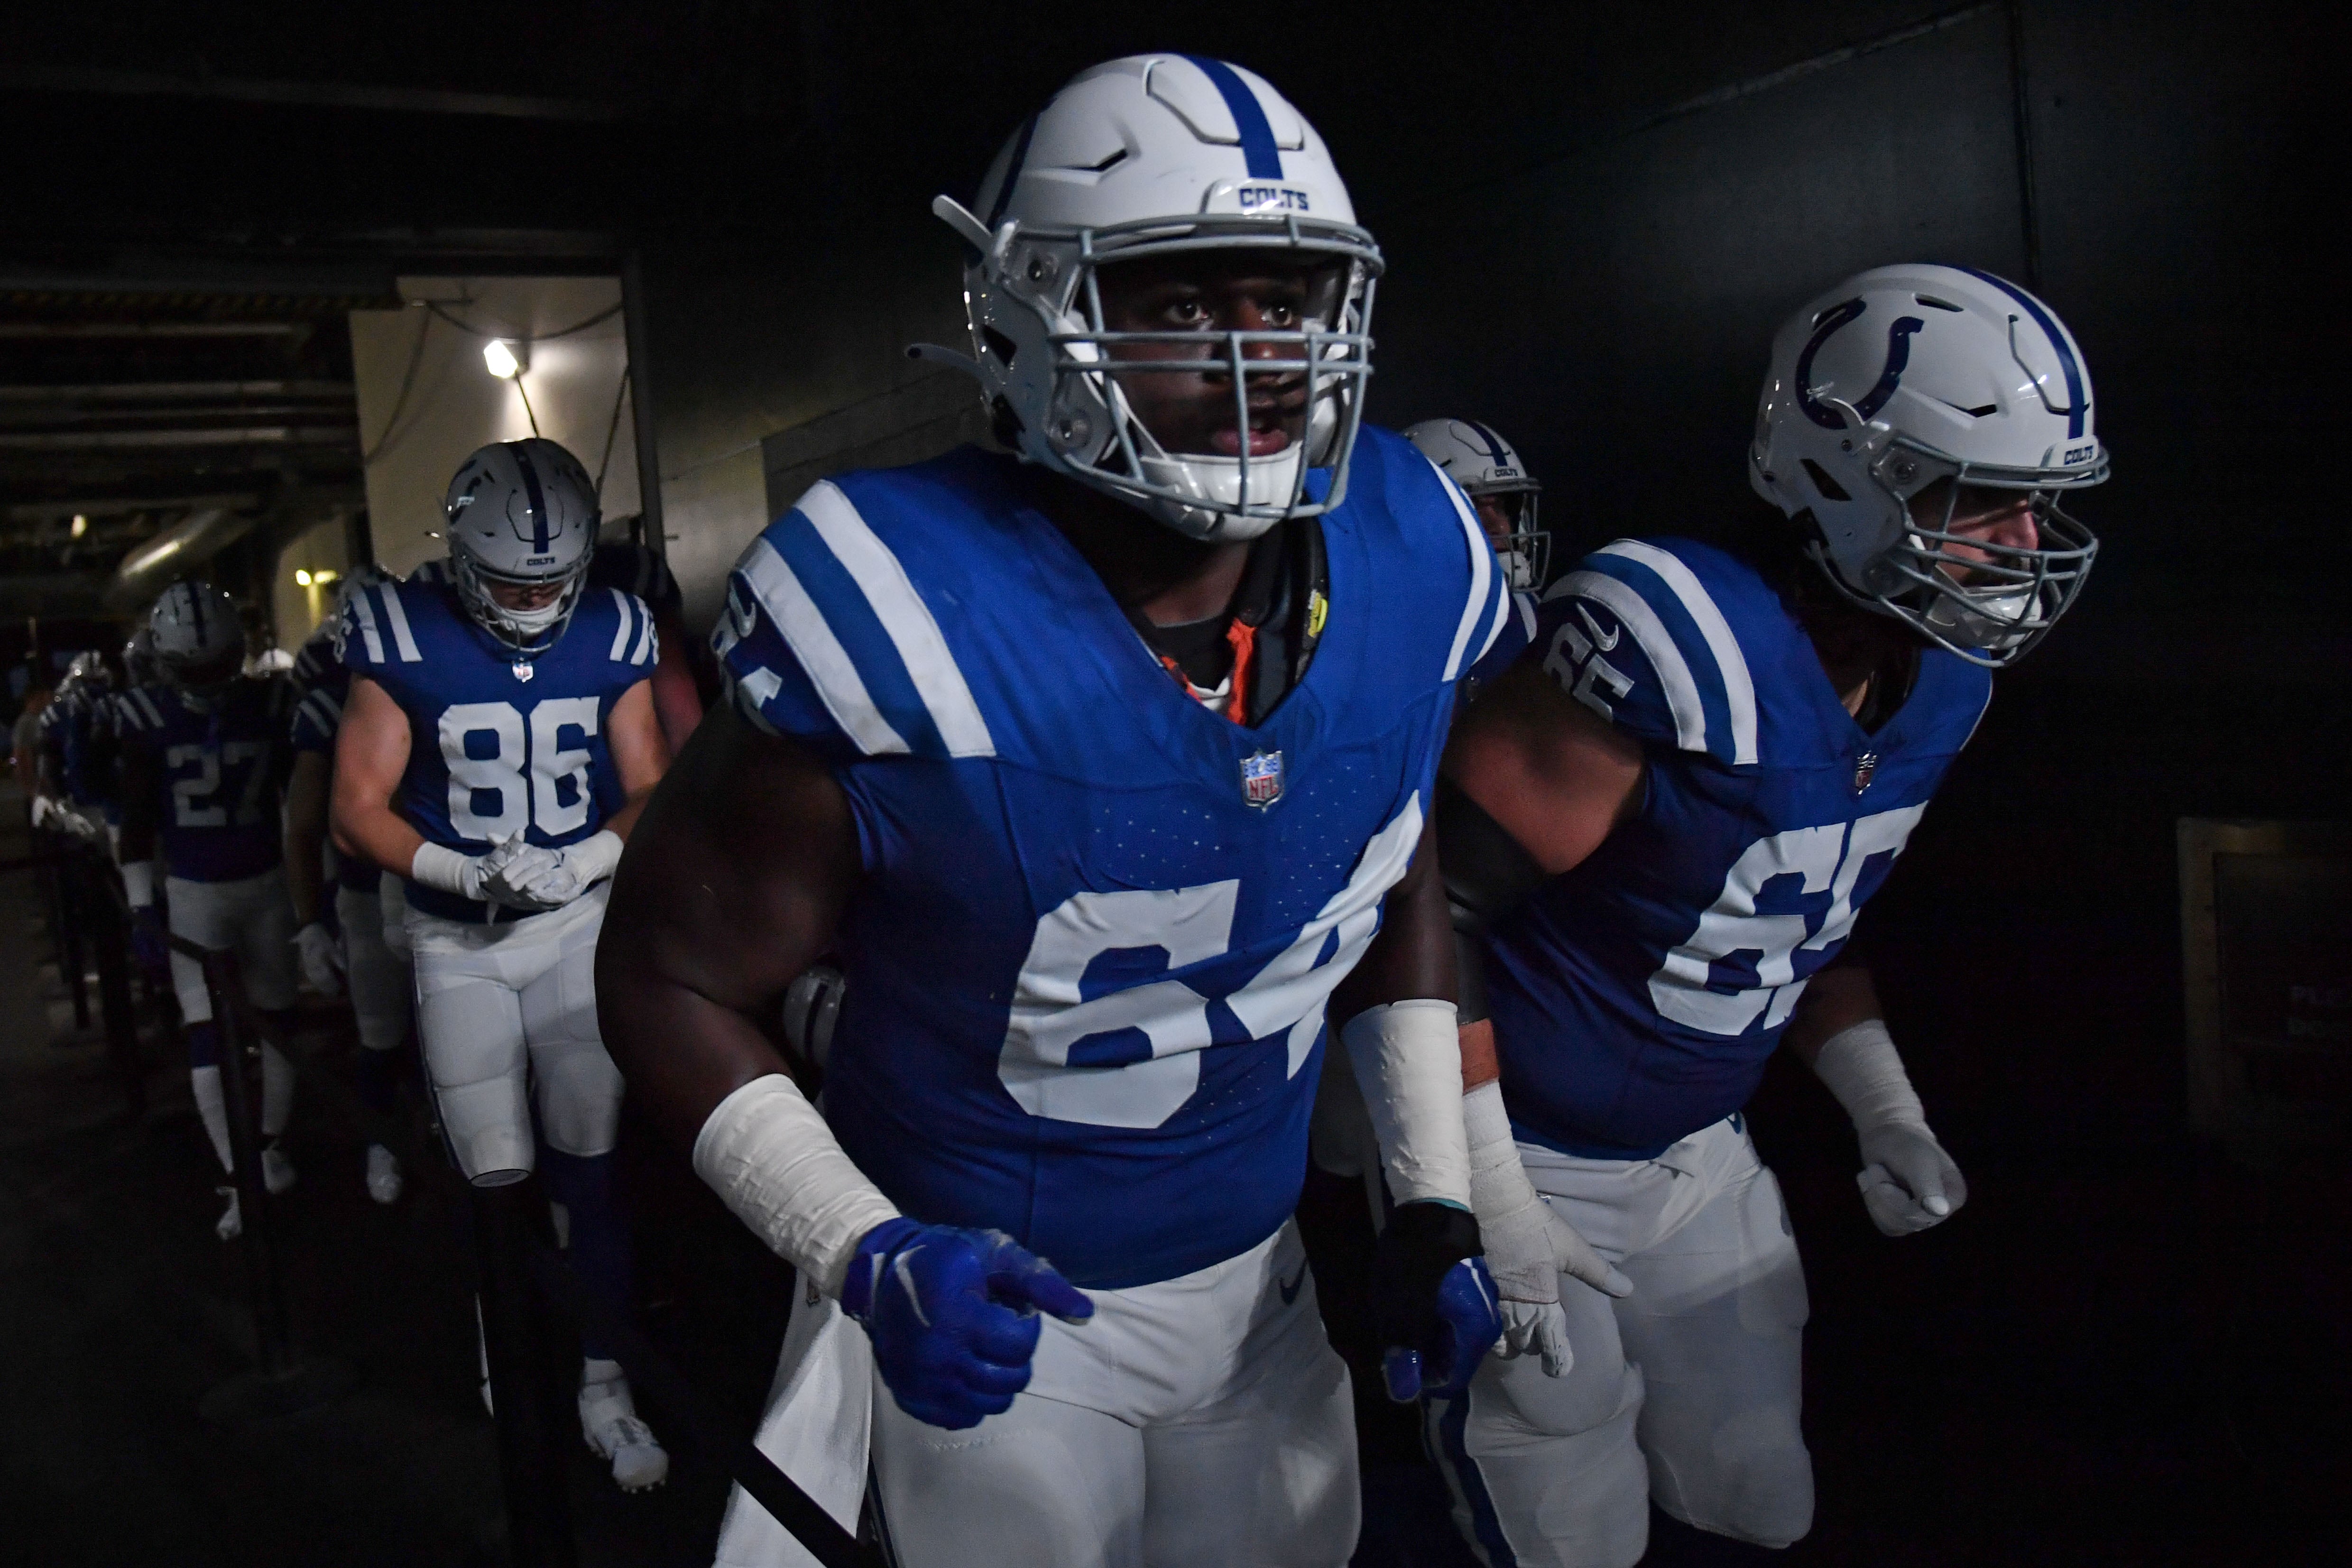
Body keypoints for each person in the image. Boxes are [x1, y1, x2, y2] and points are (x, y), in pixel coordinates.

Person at [599, 55, 1526, 1568]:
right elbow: (666, 972)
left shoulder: (1416, 548)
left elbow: (1391, 854)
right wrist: (861, 1245)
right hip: (1003, 1305)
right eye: (1179, 301)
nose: (1256, 355)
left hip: (1264, 1286)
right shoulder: (898, 599)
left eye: (1286, 298)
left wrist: (1430, 1196)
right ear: (1028, 317)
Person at [1431, 263, 2106, 1565]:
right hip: (1531, 1148)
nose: (2026, 544)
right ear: (1851, 473)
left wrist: (1885, 1105)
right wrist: (1469, 1182)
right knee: (1564, 1512)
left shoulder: (1947, 683)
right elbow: (1427, 910)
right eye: (1987, 499)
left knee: (1759, 1493)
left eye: (2041, 503)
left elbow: (1796, 914)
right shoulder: (1681, 638)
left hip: (1699, 1161)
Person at [330, 437, 673, 1492]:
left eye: (550, 582)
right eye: (511, 581)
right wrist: (464, 872)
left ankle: (604, 1381)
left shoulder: (614, 628)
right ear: (460, 557)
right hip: (457, 944)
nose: (532, 602)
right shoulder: (400, 634)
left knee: (593, 1163)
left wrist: (586, 859)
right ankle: (507, 1354)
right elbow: (355, 812)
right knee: (495, 1172)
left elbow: (650, 782)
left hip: (573, 931)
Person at [116, 582, 303, 1242]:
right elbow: (136, 821)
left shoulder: (155, 715)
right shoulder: (268, 702)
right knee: (216, 1028)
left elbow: (136, 826)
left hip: (231, 884)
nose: (210, 680)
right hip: (225, 887)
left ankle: (263, 1155)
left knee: (270, 1020)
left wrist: (142, 903)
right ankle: (243, 1168)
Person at [284, 568, 411, 1204]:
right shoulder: (333, 703)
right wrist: (310, 918)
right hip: (382, 889)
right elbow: (306, 822)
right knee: (386, 1034)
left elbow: (303, 825)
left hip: (428, 889)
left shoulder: (339, 697)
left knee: (420, 1038)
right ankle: (384, 1140)